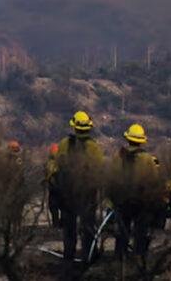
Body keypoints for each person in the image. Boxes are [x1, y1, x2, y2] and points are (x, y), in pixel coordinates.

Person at [48, 111, 106, 265]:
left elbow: (56, 167)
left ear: (74, 126)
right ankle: (88, 258)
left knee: (69, 230)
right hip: (87, 194)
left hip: (67, 194)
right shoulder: (94, 147)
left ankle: (68, 259)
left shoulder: (64, 144)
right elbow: (99, 169)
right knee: (88, 228)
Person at [108, 124, 163, 271]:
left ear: (128, 139)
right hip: (141, 203)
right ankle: (139, 260)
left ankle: (119, 260)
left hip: (122, 201)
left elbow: (111, 179)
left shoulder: (118, 158)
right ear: (142, 141)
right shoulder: (148, 160)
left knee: (122, 231)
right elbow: (155, 181)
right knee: (140, 232)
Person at [45, 143, 63, 228]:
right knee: (60, 207)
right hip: (59, 189)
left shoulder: (50, 163)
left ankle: (56, 224)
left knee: (54, 207)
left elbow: (48, 174)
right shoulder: (61, 162)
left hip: (54, 189)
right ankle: (60, 223)